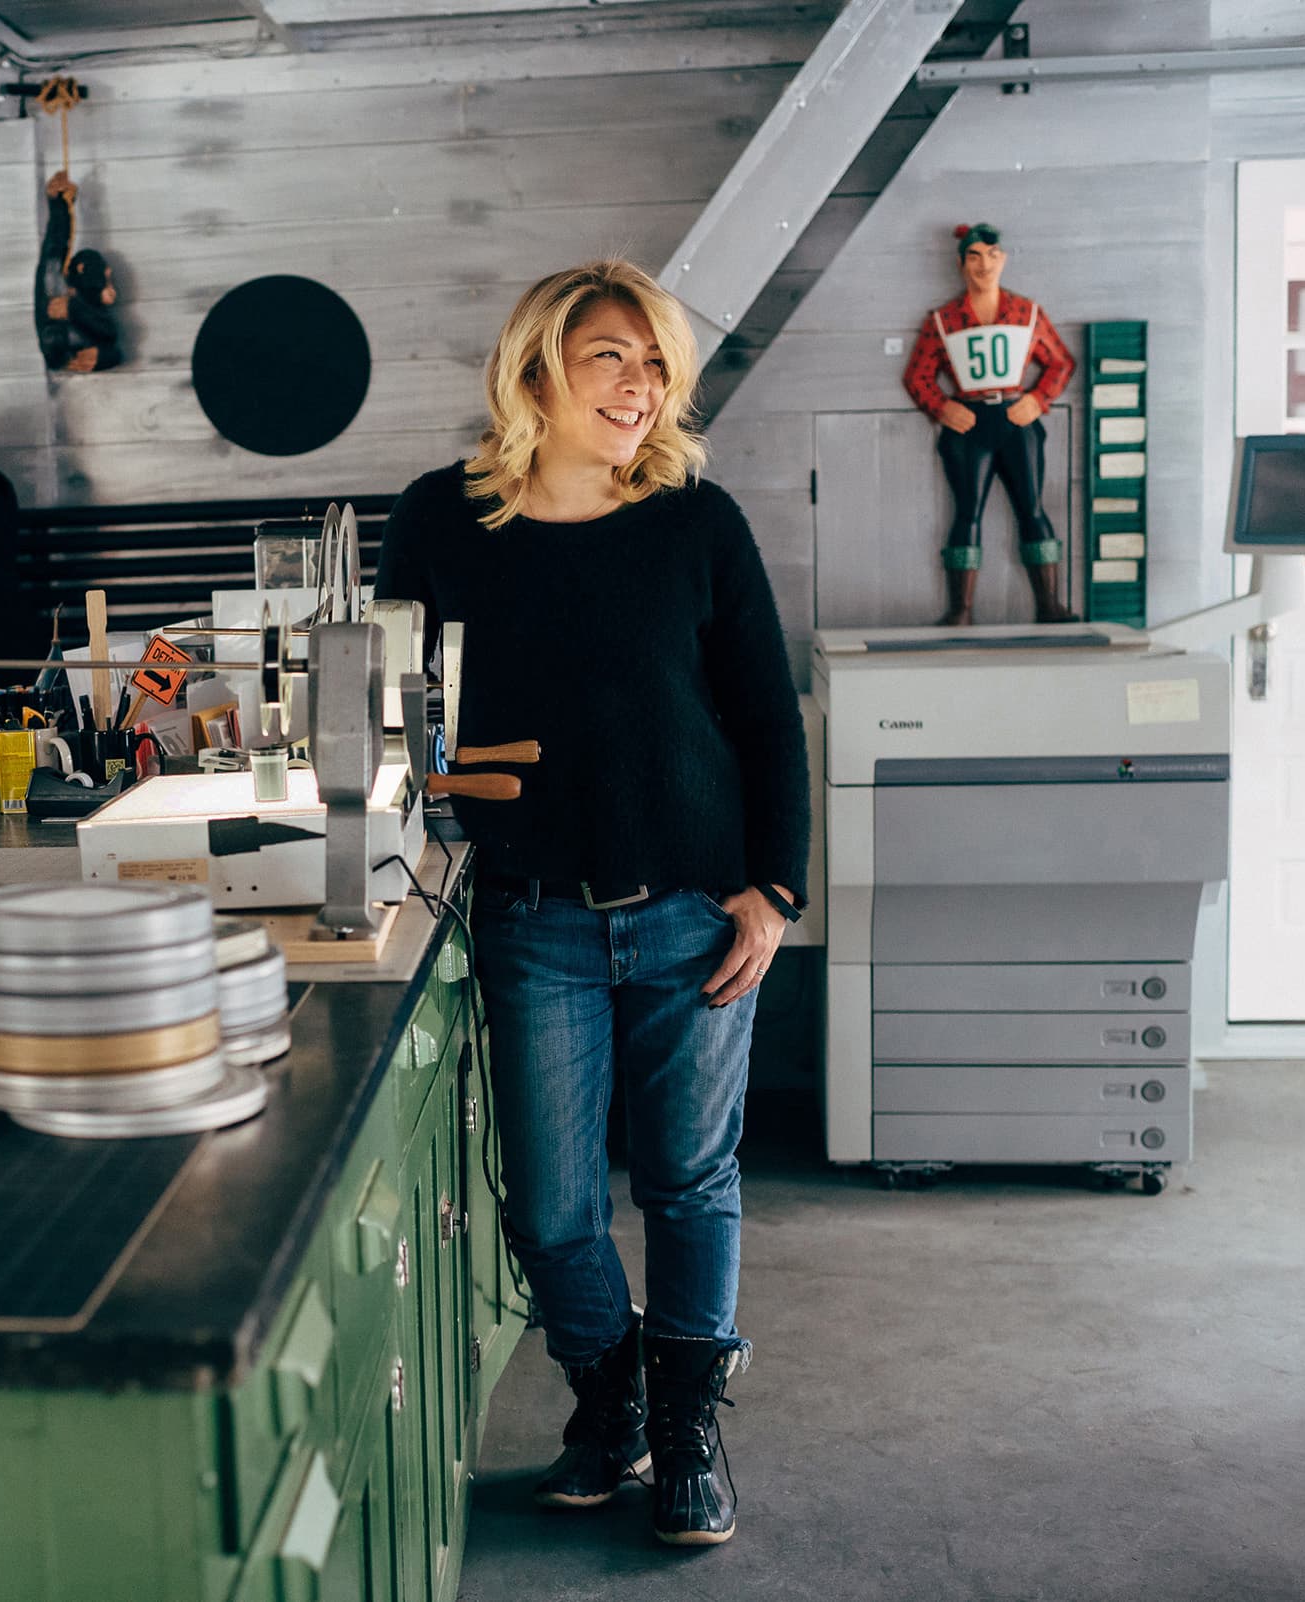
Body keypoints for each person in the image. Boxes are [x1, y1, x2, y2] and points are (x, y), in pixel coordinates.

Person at [374, 259, 809, 1547]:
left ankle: (686, 1434)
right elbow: (394, 708)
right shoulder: (442, 519)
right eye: (612, 356)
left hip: (690, 913)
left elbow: (766, 720)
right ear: (537, 369)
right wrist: (417, 774)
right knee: (552, 1209)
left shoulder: (696, 523)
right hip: (533, 918)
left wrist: (775, 892)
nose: (641, 387)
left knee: (688, 1182)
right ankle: (609, 1400)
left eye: (657, 364)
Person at [900, 221, 1078, 626]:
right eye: (975, 257)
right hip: (969, 423)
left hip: (1016, 418)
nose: (984, 265)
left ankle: (1049, 605)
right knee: (967, 512)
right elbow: (917, 376)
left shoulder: (1027, 313)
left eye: (992, 256)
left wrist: (1037, 399)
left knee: (1032, 508)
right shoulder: (944, 319)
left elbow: (1060, 362)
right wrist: (943, 408)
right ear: (961, 264)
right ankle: (960, 609)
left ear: (1004, 259)